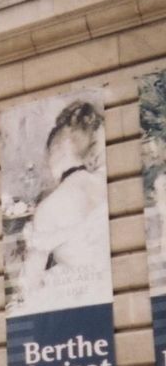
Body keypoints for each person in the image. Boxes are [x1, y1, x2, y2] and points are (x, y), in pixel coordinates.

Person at [13, 100, 108, 315]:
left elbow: (30, 283)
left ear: (56, 152)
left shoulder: (49, 207)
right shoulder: (105, 185)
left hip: (79, 307)